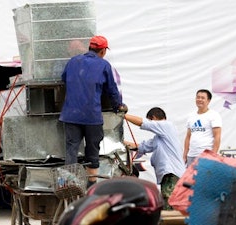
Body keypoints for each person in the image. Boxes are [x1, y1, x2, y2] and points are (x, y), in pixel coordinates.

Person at [59, 35, 127, 188]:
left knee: (71, 149)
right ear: (103, 51)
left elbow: (64, 79)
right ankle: (92, 185)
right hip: (92, 116)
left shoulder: (73, 61)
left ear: (90, 47)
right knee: (92, 150)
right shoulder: (104, 65)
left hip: (71, 115)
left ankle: (69, 184)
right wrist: (118, 107)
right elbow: (112, 91)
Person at [123, 107, 186, 210]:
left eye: (150, 120)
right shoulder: (159, 138)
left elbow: (144, 123)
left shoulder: (167, 126)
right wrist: (121, 142)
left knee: (171, 208)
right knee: (168, 206)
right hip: (168, 176)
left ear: (154, 118)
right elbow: (141, 146)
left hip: (172, 174)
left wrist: (123, 116)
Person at [183, 89, 222, 167]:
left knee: (205, 178)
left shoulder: (214, 115)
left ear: (208, 101)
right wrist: (185, 154)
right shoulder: (191, 116)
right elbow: (188, 136)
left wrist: (213, 155)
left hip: (206, 155)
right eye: (198, 97)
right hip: (191, 155)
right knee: (191, 179)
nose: (199, 99)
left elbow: (217, 136)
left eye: (202, 98)